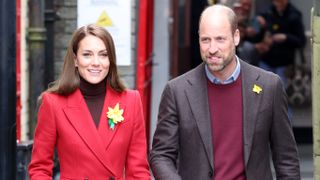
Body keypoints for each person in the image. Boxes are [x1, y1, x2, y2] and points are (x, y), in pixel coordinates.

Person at [149, 4, 300, 180]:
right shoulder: (177, 91)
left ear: (236, 37)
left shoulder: (269, 86)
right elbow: (161, 155)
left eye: (220, 39)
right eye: (206, 40)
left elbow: (286, 159)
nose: (212, 49)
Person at [28, 24, 151, 180]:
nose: (96, 62)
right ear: (75, 60)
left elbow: (138, 171)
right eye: (87, 55)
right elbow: (39, 168)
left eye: (103, 55)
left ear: (110, 60)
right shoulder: (53, 103)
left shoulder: (131, 101)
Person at [258, 0, 306, 88]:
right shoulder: (269, 11)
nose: (278, 4)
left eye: (280, 2)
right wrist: (259, 19)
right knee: (259, 90)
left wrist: (285, 37)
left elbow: (301, 41)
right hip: (266, 60)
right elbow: (260, 19)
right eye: (276, 2)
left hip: (283, 63)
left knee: (278, 94)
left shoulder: (294, 15)